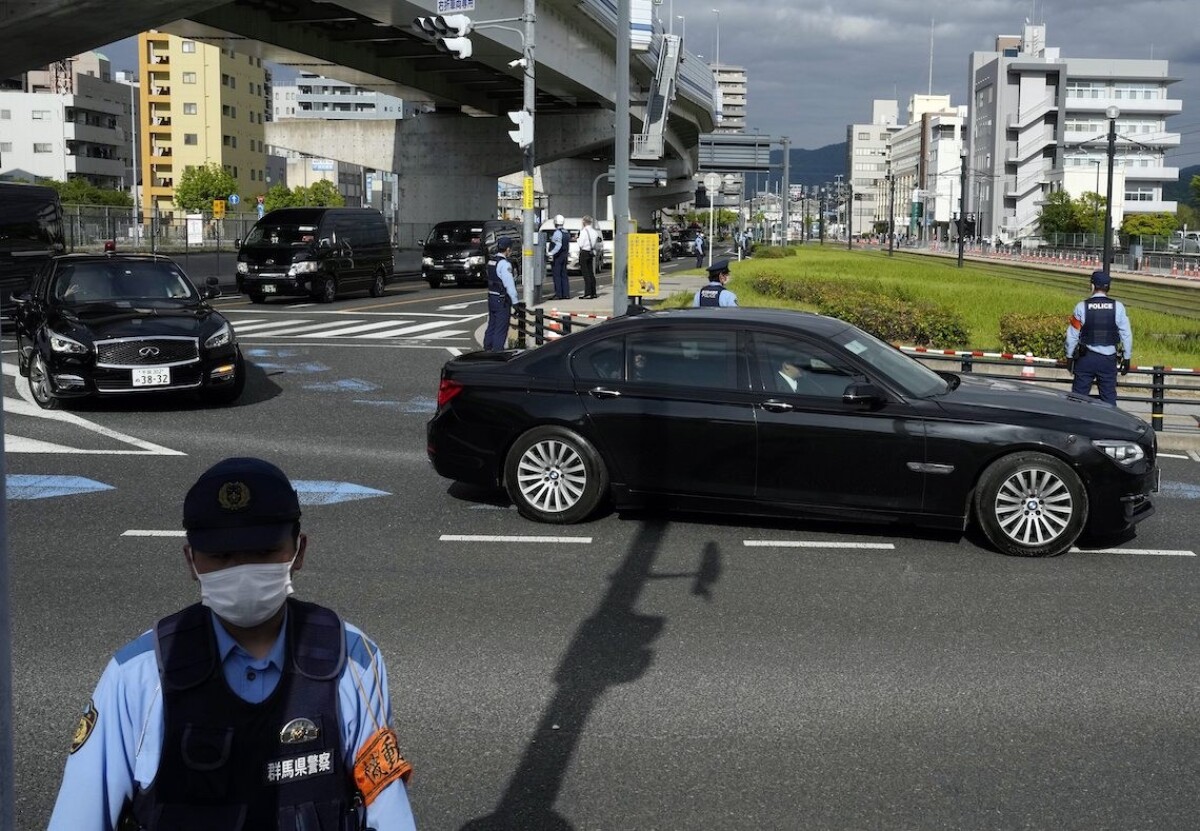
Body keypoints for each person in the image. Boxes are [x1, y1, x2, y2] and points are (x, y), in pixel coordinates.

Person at [47, 457, 417, 831]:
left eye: (263, 553)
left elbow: (388, 812)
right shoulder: (137, 677)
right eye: (221, 556)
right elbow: (79, 819)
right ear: (191, 561)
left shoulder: (353, 661)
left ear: (299, 551)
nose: (241, 570)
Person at [1065, 269, 1133, 406]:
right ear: (1108, 287)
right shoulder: (1118, 307)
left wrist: (1069, 356)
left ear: (1092, 285)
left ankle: (1077, 419)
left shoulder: (1081, 306)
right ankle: (1109, 419)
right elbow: (1126, 334)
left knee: (1077, 399)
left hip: (1086, 358)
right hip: (1108, 360)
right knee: (1108, 399)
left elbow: (1072, 335)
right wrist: (1127, 357)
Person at [484, 236, 520, 351]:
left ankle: (487, 349)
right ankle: (497, 352)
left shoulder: (491, 261)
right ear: (508, 249)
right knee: (501, 328)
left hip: (492, 296)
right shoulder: (504, 264)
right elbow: (509, 285)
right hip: (502, 299)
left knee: (492, 325)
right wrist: (515, 302)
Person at [577, 215, 600, 299]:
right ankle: (593, 292)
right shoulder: (594, 232)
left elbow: (581, 244)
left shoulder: (583, 231)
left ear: (584, 222)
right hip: (591, 252)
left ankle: (588, 293)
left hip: (584, 252)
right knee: (591, 272)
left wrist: (577, 239)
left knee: (585, 273)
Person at [548, 214, 569, 300]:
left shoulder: (557, 233)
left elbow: (558, 245)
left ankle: (558, 294)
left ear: (555, 223)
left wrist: (551, 253)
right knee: (564, 275)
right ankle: (566, 294)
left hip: (558, 257)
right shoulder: (566, 232)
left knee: (557, 275)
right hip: (564, 256)